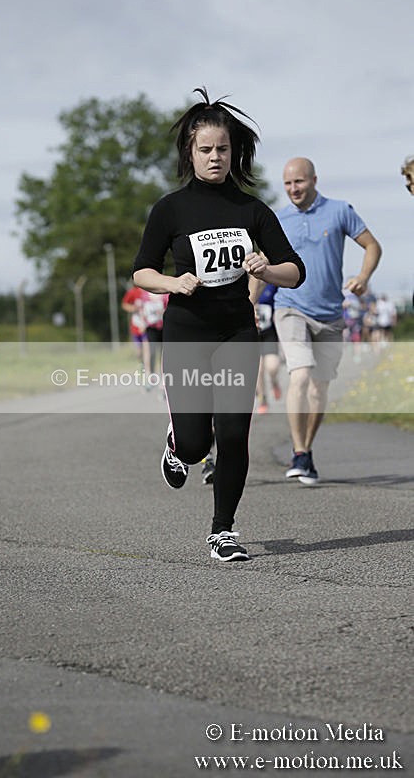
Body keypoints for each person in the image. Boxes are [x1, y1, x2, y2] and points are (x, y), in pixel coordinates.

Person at [132, 87, 305, 562]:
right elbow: (141, 271)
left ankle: (222, 531)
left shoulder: (252, 210)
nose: (215, 157)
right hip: (187, 333)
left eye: (223, 149)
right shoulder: (170, 209)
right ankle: (177, 444)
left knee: (232, 435)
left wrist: (266, 269)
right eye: (206, 149)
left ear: (234, 152)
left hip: (236, 333)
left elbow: (295, 271)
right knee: (196, 445)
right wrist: (173, 282)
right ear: (190, 153)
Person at [274, 157, 382, 485]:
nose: (293, 189)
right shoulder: (278, 219)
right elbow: (263, 262)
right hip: (290, 307)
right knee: (300, 374)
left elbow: (372, 246)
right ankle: (298, 452)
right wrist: (249, 302)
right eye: (288, 183)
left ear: (314, 180)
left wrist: (363, 277)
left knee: (320, 387)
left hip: (330, 314)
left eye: (299, 182)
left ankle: (305, 450)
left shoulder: (339, 211)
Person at [255, 282, 282, 414]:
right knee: (258, 370)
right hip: (253, 333)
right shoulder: (243, 282)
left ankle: (274, 381)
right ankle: (263, 399)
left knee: (272, 367)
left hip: (269, 331)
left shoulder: (271, 284)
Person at [121, 284, 150, 375]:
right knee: (139, 351)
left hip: (147, 325)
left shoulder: (151, 290)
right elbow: (124, 304)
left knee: (147, 348)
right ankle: (141, 364)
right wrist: (133, 308)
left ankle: (147, 369)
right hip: (136, 325)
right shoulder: (133, 292)